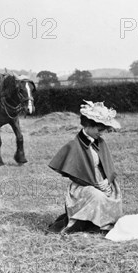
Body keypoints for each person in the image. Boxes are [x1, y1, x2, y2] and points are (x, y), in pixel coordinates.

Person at [47, 100, 123, 234]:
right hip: (82, 187)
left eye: (103, 130)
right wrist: (94, 185)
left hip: (101, 183)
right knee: (97, 196)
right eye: (99, 130)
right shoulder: (74, 145)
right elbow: (74, 174)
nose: (101, 133)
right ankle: (89, 225)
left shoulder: (100, 142)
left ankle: (105, 224)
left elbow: (107, 166)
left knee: (114, 193)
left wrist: (107, 181)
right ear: (88, 125)